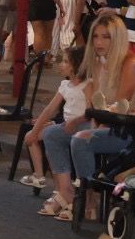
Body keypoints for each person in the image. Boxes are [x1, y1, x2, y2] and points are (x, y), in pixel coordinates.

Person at [36, 12, 135, 222]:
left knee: (80, 139)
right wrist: (85, 121)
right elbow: (95, 104)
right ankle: (66, 192)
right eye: (96, 36)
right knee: (52, 134)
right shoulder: (97, 62)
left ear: (118, 38)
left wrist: (90, 125)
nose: (99, 42)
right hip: (101, 122)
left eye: (106, 37)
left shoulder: (129, 62)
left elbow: (121, 106)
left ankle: (89, 199)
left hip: (126, 127)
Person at [20, 45, 89, 188]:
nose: (60, 65)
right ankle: (39, 175)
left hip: (80, 127)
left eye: (65, 61)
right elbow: (50, 109)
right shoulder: (65, 85)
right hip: (65, 125)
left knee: (51, 138)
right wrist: (36, 128)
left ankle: (61, 187)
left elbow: (89, 112)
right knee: (31, 136)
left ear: (76, 65)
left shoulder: (87, 85)